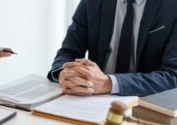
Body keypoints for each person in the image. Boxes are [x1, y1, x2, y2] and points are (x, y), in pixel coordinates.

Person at [48, 0, 177, 97]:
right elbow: (69, 52)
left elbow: (173, 76)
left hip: (146, 104)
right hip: (92, 99)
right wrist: (64, 74)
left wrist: (109, 83)